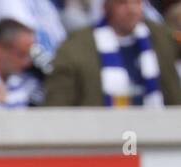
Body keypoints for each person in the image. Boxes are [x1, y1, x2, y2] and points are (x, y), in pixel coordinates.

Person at [43, 0, 181, 106]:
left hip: (157, 132)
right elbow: (57, 104)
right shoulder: (76, 47)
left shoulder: (161, 37)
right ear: (106, 7)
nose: (132, 10)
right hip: (99, 134)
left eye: (137, 2)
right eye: (122, 3)